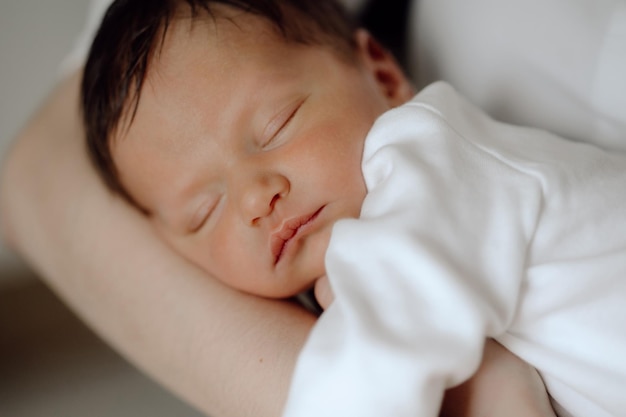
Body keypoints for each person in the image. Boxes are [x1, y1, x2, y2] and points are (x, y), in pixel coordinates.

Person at [1, 0, 619, 416]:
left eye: (276, 126)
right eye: (202, 211)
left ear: (379, 70)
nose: (252, 197)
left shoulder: (434, 161)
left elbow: (375, 371)